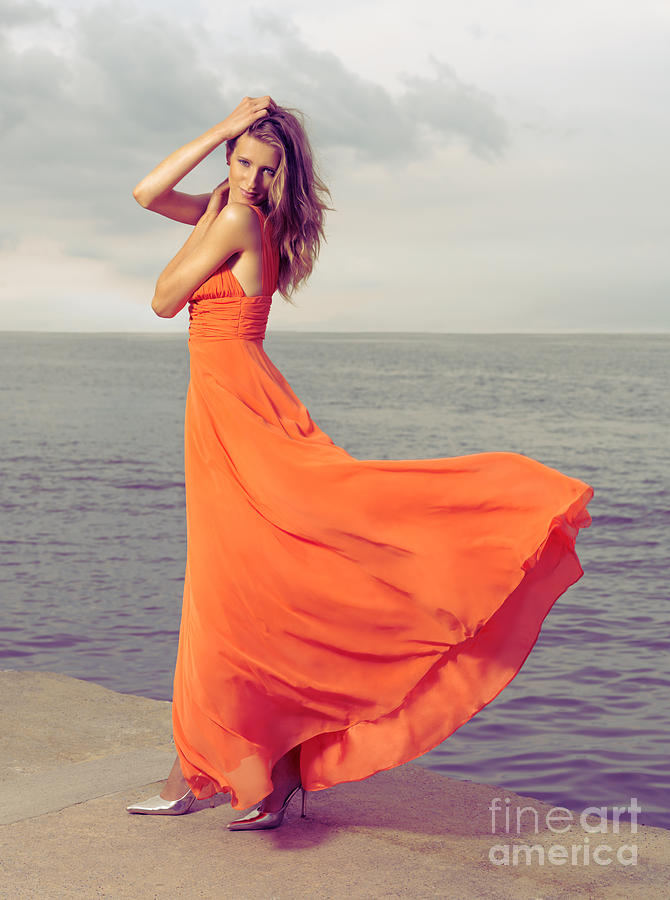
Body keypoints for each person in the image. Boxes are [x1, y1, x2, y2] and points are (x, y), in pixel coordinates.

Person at [126, 96, 593, 831]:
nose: (250, 178)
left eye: (264, 168)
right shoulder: (230, 209)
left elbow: (161, 299)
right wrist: (223, 130)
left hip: (240, 409)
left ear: (282, 177)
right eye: (242, 162)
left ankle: (215, 770)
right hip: (226, 405)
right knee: (244, 584)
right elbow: (145, 194)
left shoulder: (238, 220)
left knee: (233, 584)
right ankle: (249, 774)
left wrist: (220, 195)